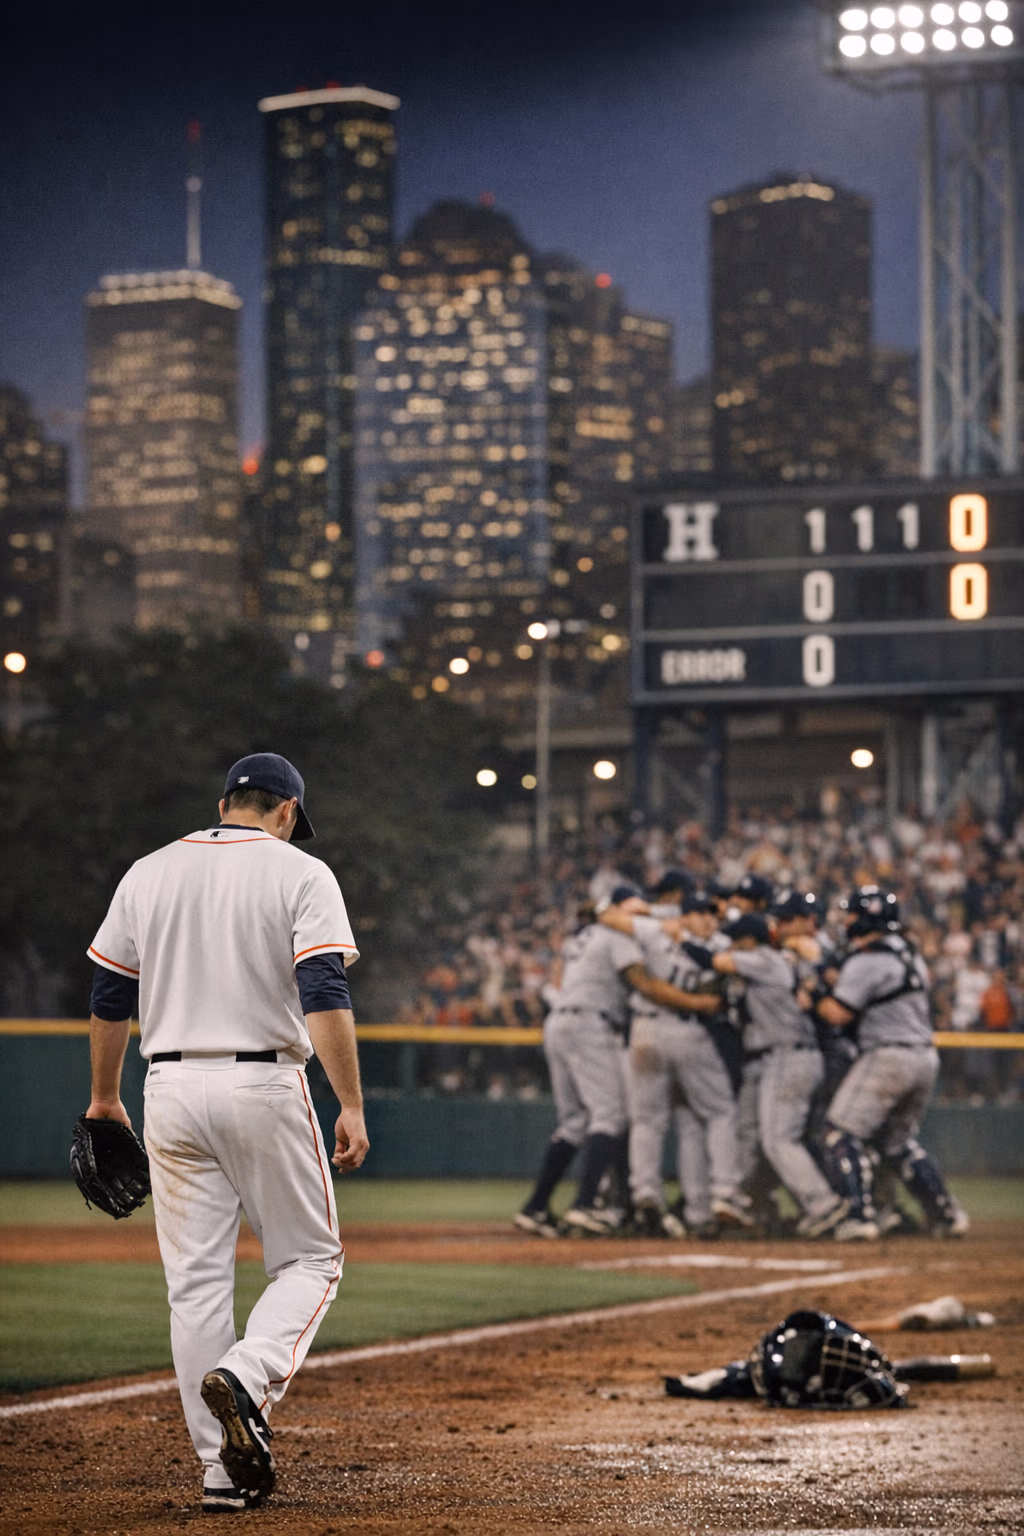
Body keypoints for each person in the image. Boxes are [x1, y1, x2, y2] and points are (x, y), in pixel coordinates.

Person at [83, 752, 368, 1512]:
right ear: (286, 812)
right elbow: (323, 986)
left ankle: (220, 1471)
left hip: (166, 1086)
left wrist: (103, 1099)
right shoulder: (300, 871)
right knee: (311, 1260)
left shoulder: (148, 870)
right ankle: (247, 1376)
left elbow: (110, 990)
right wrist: (351, 1101)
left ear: (225, 802)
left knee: (196, 1284)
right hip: (264, 1081)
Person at [515, 886, 721, 1237]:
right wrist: (696, 1002)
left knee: (574, 1123)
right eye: (635, 912)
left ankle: (535, 1207)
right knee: (609, 1115)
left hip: (560, 1022)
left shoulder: (586, 935)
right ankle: (585, 1205)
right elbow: (644, 984)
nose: (640, 919)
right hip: (589, 1023)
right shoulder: (615, 934)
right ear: (618, 911)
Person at [818, 886, 969, 1241]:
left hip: (889, 1057)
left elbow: (837, 1013)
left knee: (840, 1133)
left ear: (867, 918)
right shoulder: (908, 952)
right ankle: (946, 1213)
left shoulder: (867, 960)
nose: (847, 920)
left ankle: (858, 1214)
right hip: (924, 1058)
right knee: (896, 1144)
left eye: (853, 914)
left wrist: (813, 988)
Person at [599, 891, 751, 1237]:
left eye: (712, 912)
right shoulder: (716, 945)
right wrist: (654, 913)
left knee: (667, 1120)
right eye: (699, 912)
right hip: (685, 1030)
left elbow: (604, 915)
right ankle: (723, 1192)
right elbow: (604, 915)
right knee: (717, 1112)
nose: (707, 918)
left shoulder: (661, 932)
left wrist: (651, 914)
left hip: (648, 1029)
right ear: (686, 915)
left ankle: (658, 1196)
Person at [710, 914, 848, 1239]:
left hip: (788, 1054)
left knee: (779, 1140)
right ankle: (749, 1201)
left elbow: (711, 960)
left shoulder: (764, 958)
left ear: (749, 940)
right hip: (792, 1054)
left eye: (737, 938)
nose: (732, 944)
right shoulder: (776, 960)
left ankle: (823, 1205)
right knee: (770, 1137)